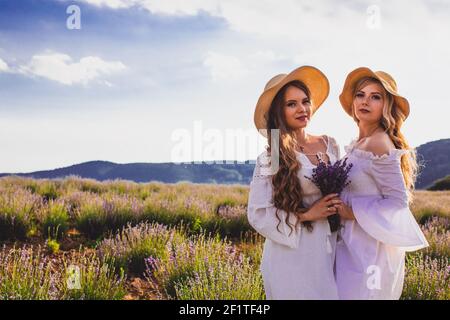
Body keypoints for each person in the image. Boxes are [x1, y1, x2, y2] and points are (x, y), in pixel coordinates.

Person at [333, 67, 429, 299]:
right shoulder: (359, 143)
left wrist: (351, 212)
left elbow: (398, 202)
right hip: (349, 244)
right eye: (360, 94)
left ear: (386, 106)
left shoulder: (379, 143)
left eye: (375, 97)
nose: (365, 101)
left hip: (370, 251)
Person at [247, 65, 341, 299]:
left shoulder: (330, 144)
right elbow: (258, 213)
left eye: (305, 101)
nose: (302, 109)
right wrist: (308, 214)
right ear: (280, 112)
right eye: (291, 104)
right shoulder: (272, 157)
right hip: (291, 253)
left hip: (331, 247)